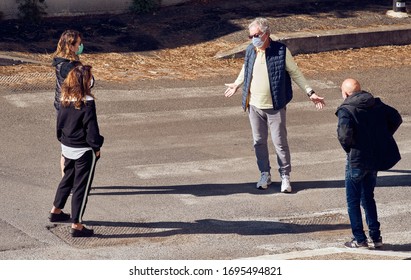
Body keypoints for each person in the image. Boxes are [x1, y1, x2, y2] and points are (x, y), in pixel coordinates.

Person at [224, 17, 325, 193]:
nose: (253, 39)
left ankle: (285, 176)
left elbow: (296, 73)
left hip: (275, 107)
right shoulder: (251, 50)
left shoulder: (281, 51)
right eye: (251, 36)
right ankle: (264, 173)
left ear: (266, 34)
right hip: (254, 106)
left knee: (280, 142)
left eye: (256, 35)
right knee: (259, 142)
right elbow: (245, 69)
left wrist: (310, 92)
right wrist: (236, 84)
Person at [336, 78, 402, 249]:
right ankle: (376, 237)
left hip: (357, 160)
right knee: (368, 198)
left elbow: (344, 136)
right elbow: (395, 118)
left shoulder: (346, 110)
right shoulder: (375, 103)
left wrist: (350, 149)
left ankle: (359, 239)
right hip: (373, 160)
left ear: (345, 93)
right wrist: (382, 136)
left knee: (353, 201)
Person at [49, 65, 104, 238]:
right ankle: (77, 224)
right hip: (83, 150)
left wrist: (64, 141)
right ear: (84, 82)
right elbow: (92, 130)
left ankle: (56, 210)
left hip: (67, 145)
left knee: (67, 178)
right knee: (81, 187)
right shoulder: (87, 101)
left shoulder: (64, 97)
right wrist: (97, 147)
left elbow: (60, 125)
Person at [52, 30, 86, 176]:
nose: (81, 46)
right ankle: (70, 182)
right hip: (71, 107)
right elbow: (83, 83)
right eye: (78, 43)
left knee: (66, 146)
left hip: (62, 105)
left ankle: (67, 181)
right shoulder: (69, 66)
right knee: (72, 146)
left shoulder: (60, 60)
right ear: (71, 46)